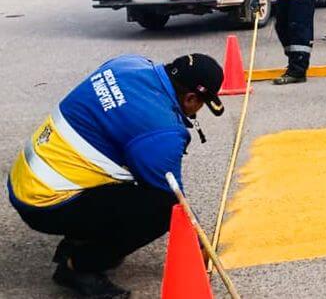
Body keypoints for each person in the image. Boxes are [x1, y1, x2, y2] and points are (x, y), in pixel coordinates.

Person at [8, 53, 225, 298]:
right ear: (191, 98)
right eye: (201, 105)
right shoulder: (162, 130)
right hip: (44, 204)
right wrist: (200, 245)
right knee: (160, 209)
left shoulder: (127, 64)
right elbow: (173, 199)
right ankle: (78, 267)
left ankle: (79, 239)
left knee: (128, 174)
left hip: (25, 179)